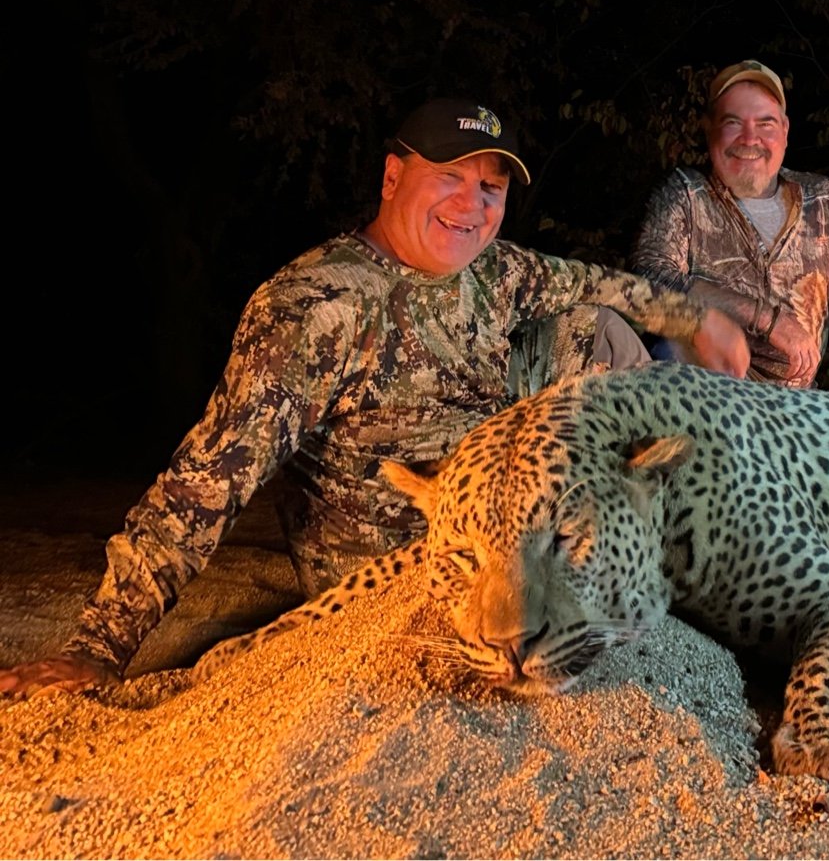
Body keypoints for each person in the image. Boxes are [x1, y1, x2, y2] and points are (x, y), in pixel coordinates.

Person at [0, 97, 747, 698]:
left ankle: (649, 547)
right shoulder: (316, 306)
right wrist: (98, 647)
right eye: (448, 177)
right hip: (403, 559)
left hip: (510, 527)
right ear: (392, 178)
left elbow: (593, 283)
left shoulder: (493, 272)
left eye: (489, 188)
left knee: (591, 329)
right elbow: (206, 480)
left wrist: (695, 320)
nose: (470, 204)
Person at [632, 60, 829, 405]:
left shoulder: (827, 203)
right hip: (701, 394)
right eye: (733, 123)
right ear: (709, 131)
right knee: (667, 348)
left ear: (785, 129)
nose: (750, 139)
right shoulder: (684, 194)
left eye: (765, 123)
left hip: (795, 411)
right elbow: (650, 280)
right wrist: (769, 319)